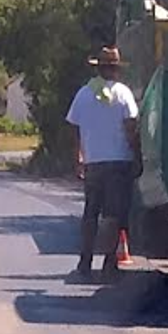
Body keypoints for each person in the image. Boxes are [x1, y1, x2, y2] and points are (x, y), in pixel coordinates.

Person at [66, 46, 142, 279]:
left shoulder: (83, 94)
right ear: (117, 69)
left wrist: (78, 158)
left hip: (93, 163)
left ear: (98, 68)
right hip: (118, 162)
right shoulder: (123, 93)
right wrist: (137, 155)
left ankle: (85, 261)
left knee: (91, 213)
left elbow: (74, 129)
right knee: (113, 215)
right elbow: (131, 128)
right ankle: (109, 263)